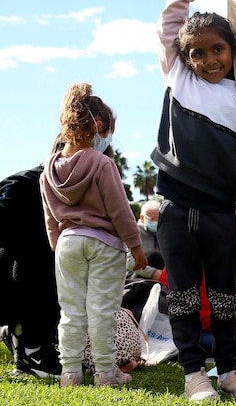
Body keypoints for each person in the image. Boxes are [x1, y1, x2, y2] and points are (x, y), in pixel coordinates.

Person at [153, 0, 236, 401]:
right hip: (176, 211)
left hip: (220, 214)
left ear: (233, 49)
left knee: (223, 296)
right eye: (197, 53)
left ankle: (229, 370)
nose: (208, 59)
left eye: (218, 49)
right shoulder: (179, 78)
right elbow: (168, 28)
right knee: (182, 296)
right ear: (184, 57)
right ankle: (194, 374)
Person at [40, 83, 147, 388]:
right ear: (99, 127)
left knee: (71, 312)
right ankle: (106, 373)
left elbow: (51, 218)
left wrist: (58, 247)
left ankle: (70, 373)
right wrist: (136, 246)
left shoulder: (48, 170)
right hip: (104, 244)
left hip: (68, 244)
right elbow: (120, 210)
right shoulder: (103, 164)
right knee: (102, 311)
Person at [0, 161, 62, 379]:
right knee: (39, 255)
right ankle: (32, 348)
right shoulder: (24, 183)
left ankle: (29, 341)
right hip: (17, 274)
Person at [126, 200, 164, 281]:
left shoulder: (162, 233)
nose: (156, 222)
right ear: (142, 218)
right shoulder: (132, 233)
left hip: (159, 274)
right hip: (136, 275)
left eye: (158, 219)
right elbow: (128, 262)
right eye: (152, 219)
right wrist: (153, 273)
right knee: (155, 256)